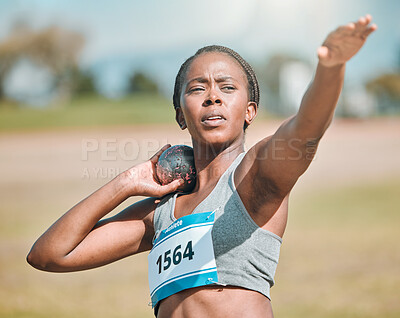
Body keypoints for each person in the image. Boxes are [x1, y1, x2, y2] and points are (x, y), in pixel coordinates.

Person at [27, 15, 377, 318]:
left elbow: (305, 130)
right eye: (197, 89)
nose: (213, 96)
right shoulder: (160, 213)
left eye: (227, 87)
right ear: (181, 114)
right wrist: (128, 182)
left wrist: (330, 70)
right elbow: (49, 255)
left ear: (249, 111)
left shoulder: (255, 176)